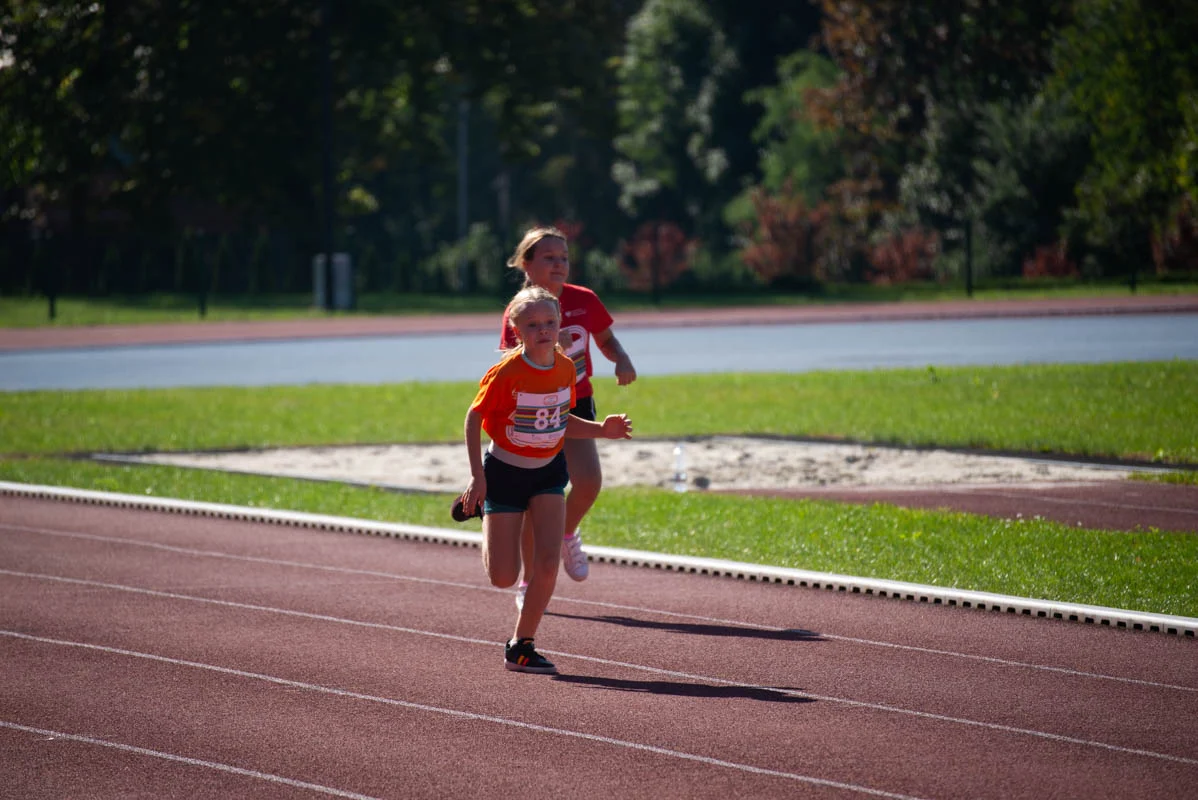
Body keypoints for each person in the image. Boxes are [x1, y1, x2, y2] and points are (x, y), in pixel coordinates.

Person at [459, 286, 633, 674]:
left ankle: (521, 645)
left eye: (550, 323)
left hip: (548, 473)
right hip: (504, 472)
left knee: (546, 563)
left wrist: (602, 430)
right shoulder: (506, 372)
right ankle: (485, 514)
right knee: (504, 577)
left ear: (559, 325)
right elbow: (474, 418)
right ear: (517, 329)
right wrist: (478, 477)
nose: (544, 330)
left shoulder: (565, 368)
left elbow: (560, 420)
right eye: (533, 324)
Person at [500, 226, 637, 608]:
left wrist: (621, 358)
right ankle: (529, 583)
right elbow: (509, 362)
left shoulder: (583, 300)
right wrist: (545, 349)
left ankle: (566, 533)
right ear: (527, 263)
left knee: (589, 480)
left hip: (577, 401)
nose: (559, 264)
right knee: (537, 498)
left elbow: (606, 340)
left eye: (564, 258)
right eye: (549, 258)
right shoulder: (521, 311)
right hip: (533, 408)